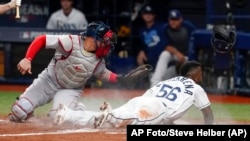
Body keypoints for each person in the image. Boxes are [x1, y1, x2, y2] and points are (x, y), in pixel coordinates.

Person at [8, 21, 150, 123]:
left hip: (70, 89)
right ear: (92, 38)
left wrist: (120, 79)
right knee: (19, 112)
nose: (106, 46)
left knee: (58, 117)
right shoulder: (70, 42)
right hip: (49, 80)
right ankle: (27, 111)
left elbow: (104, 74)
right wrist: (28, 58)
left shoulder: (98, 59)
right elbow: (42, 40)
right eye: (104, 42)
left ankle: (78, 109)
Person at [53, 61, 214, 127]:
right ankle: (109, 114)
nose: (202, 76)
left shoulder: (167, 82)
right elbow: (208, 116)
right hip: (157, 109)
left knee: (114, 120)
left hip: (142, 102)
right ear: (195, 75)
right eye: (201, 73)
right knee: (115, 120)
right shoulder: (196, 88)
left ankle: (70, 113)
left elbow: (158, 112)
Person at [150, 9, 197, 87]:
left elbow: (197, 38)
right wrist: (177, 54)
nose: (173, 22)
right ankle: (154, 84)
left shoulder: (187, 26)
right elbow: (165, 46)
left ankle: (192, 87)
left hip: (187, 56)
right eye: (171, 19)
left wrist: (188, 57)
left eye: (176, 19)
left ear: (181, 19)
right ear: (168, 20)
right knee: (165, 54)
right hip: (175, 54)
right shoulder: (165, 28)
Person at [135, 5, 167, 88]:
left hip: (164, 62)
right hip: (150, 63)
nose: (148, 15)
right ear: (142, 16)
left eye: (150, 13)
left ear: (154, 15)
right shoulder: (142, 30)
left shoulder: (162, 27)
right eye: (145, 13)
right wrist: (141, 51)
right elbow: (141, 45)